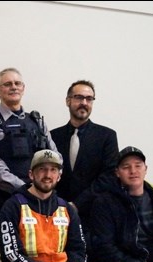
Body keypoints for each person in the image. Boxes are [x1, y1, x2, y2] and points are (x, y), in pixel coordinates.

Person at [0, 67, 57, 218]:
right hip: (5, 201)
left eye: (17, 83)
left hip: (40, 201)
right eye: (7, 84)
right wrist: (24, 188)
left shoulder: (37, 121)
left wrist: (45, 183)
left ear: (23, 88)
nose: (13, 87)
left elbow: (55, 158)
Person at [50, 80, 118, 230]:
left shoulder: (107, 136)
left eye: (89, 99)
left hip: (95, 215)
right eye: (79, 97)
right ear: (68, 101)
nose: (84, 103)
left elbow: (108, 177)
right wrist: (59, 205)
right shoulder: (52, 136)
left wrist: (77, 204)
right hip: (57, 215)